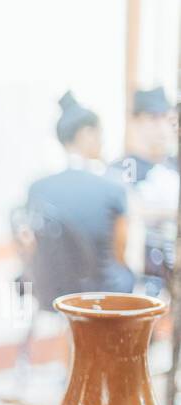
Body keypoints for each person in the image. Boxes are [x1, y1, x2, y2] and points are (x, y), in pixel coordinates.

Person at [22, 92, 134, 309]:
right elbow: (121, 250)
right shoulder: (112, 186)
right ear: (86, 134)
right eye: (100, 134)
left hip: (51, 292)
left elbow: (30, 244)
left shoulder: (37, 188)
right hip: (104, 293)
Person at [107, 87, 178, 296]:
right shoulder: (120, 170)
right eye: (153, 118)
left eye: (166, 117)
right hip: (137, 281)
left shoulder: (174, 166)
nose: (161, 126)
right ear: (136, 121)